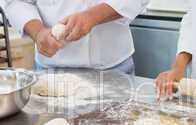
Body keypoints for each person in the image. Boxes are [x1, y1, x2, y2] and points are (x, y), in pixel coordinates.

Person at [4, 0, 149, 74]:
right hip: (51, 69)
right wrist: (38, 32)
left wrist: (93, 16)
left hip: (113, 68)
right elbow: (16, 1)